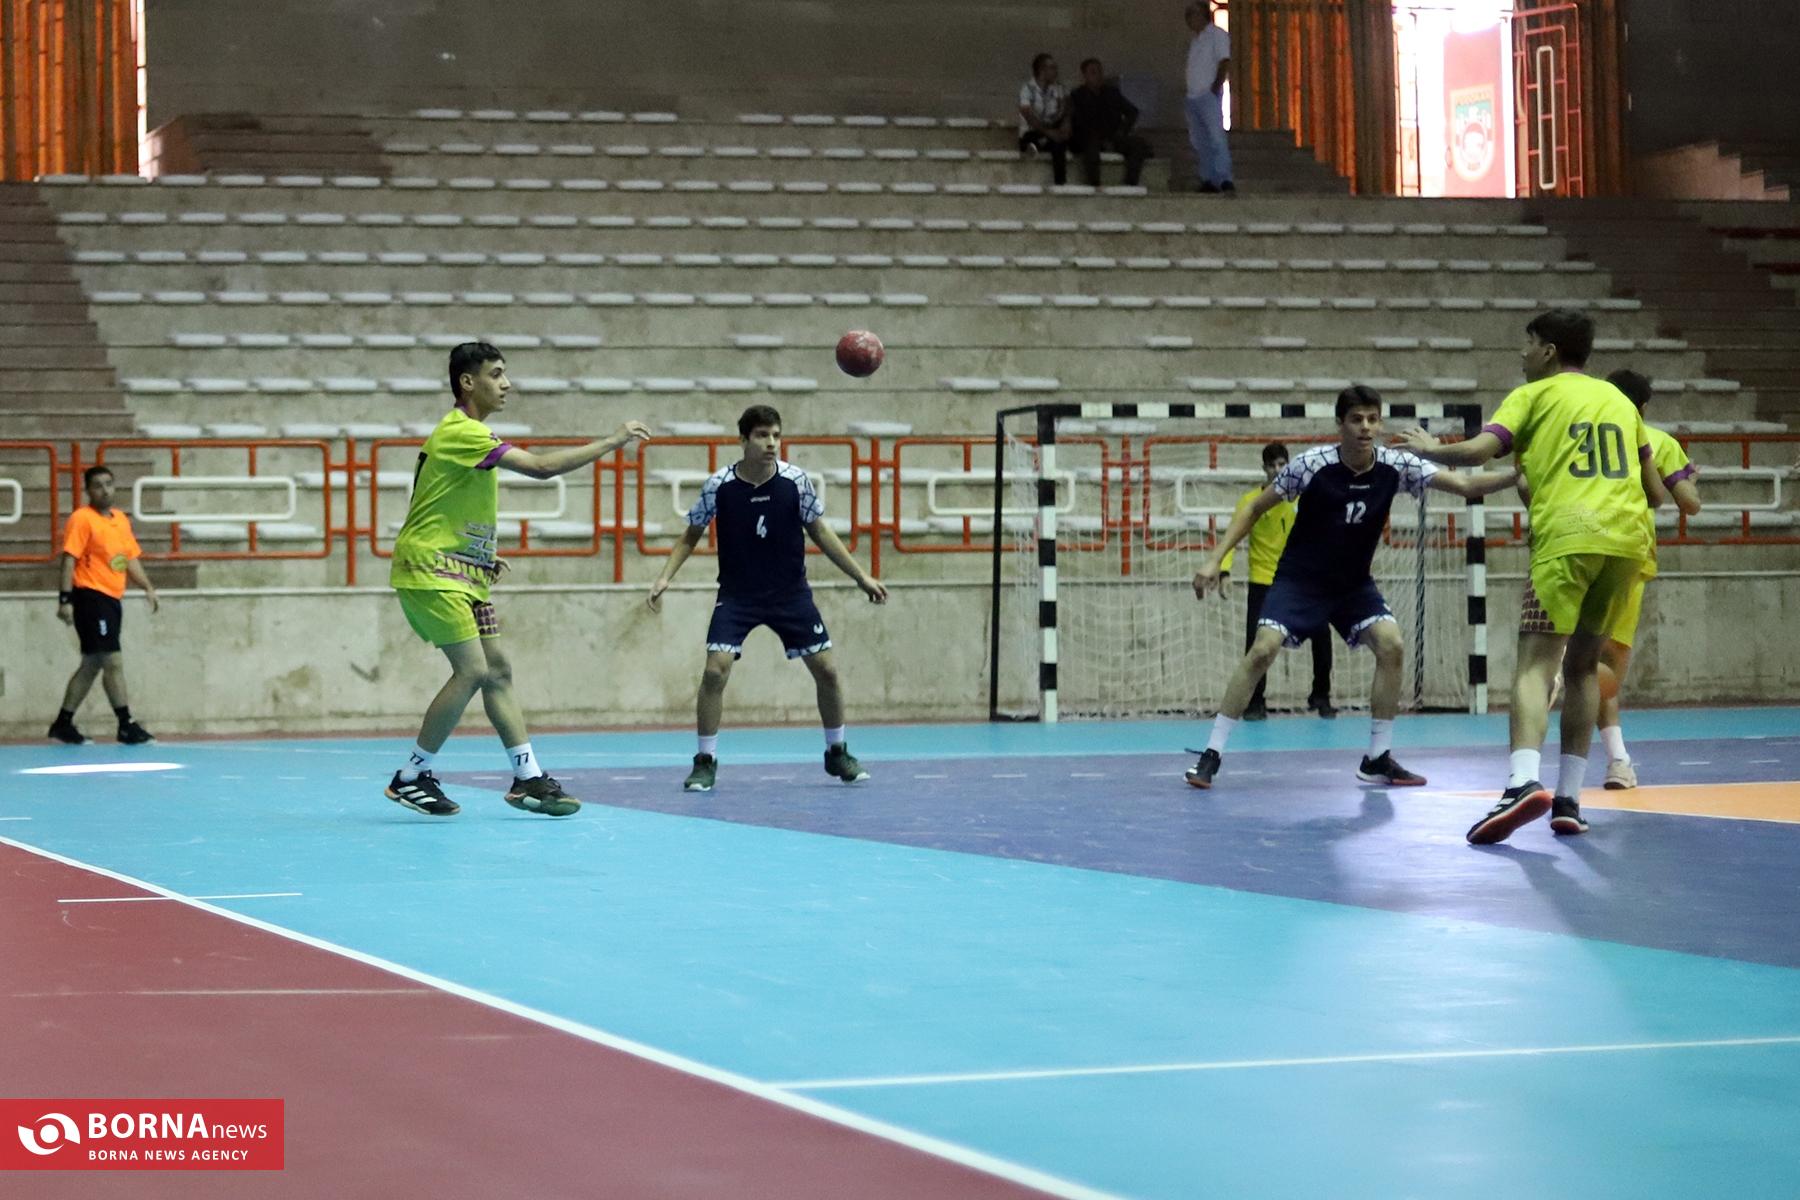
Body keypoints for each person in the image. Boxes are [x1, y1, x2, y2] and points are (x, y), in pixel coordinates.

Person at [1395, 310, 1667, 845]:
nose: (1522, 354)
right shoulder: (1619, 402)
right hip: (1626, 545)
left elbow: (1478, 451)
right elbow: (1655, 493)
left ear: (1548, 351)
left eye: (1528, 343)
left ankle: (1521, 783)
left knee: (1535, 666)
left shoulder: (1534, 395)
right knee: (1583, 667)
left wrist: (1429, 448)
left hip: (1567, 540)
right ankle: (1569, 800)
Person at [1188, 386, 1520, 790]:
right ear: (1340, 424)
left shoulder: (1397, 464)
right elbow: (1255, 508)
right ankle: (1211, 753)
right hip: (1300, 580)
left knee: (1392, 645)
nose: (1366, 427)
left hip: (1353, 585)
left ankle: (1377, 757)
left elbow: (1466, 487)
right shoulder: (1312, 465)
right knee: (1262, 650)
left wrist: (1518, 475)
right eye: (1357, 419)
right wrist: (1215, 559)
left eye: (1373, 419)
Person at [386, 341, 651, 818]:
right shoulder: (461, 431)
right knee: (473, 671)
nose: (506, 384)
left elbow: (440, 501)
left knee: (498, 671)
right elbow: (542, 469)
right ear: (468, 382)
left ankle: (527, 777)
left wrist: (478, 554)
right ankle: (410, 776)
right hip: (430, 570)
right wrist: (613, 441)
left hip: (462, 570)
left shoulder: (469, 436)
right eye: (496, 374)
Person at [648, 404, 889, 792]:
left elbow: (820, 531)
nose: (771, 443)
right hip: (738, 596)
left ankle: (837, 752)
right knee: (715, 671)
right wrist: (664, 577)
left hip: (790, 595)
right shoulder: (719, 485)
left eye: (776, 435)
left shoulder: (795, 481)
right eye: (762, 435)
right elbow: (690, 534)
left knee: (827, 670)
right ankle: (705, 761)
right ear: (743, 440)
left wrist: (861, 576)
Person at [1517, 368, 1702, 789]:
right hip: (1624, 554)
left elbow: (1528, 486)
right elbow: (1688, 504)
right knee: (1601, 671)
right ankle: (1567, 686)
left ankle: (1618, 758)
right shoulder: (1657, 441)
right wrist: (1690, 481)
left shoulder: (1574, 431)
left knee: (1570, 659)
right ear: (1643, 407)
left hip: (1566, 545)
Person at [1218, 441, 1334, 720]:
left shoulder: (1303, 499)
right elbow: (1232, 537)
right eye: (1272, 465)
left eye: (1282, 464)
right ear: (1264, 468)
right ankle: (1255, 702)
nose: (1277, 470)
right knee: (1256, 644)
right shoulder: (1251, 502)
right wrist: (1224, 571)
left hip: (1301, 580)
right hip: (1263, 581)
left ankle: (1321, 695)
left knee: (1322, 634)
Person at [48, 465, 159, 745]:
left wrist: (147, 586)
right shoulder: (82, 519)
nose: (105, 490)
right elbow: (69, 559)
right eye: (97, 485)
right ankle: (126, 723)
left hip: (112, 599)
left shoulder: (120, 520)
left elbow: (129, 558)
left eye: (109, 484)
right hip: (90, 597)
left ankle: (63, 723)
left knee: (92, 663)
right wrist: (65, 600)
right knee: (112, 660)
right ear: (88, 490)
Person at [1070, 58, 1152, 188]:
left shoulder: (1112, 93)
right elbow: (1077, 122)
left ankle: (1130, 184)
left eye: (1099, 72)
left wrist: (1122, 131)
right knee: (1090, 146)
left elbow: (1132, 112)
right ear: (1084, 76)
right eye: (1093, 72)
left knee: (1139, 144)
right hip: (1089, 137)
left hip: (1113, 136)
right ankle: (1095, 185)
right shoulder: (1077, 96)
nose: (1098, 76)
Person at [1184, 2, 1234, 194]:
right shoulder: (1195, 40)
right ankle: (1208, 179)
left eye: (1193, 14)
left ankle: (1224, 178)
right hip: (1193, 97)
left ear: (1204, 15)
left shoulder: (1217, 35)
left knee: (1216, 138)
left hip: (1207, 95)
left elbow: (1224, 61)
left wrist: (1215, 87)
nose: (1189, 19)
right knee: (1200, 141)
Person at [1017, 52, 1072, 186]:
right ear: (1042, 70)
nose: (1056, 71)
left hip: (1052, 129)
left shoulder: (1058, 88)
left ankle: (1060, 183)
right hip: (1034, 131)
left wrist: (1066, 123)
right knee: (1033, 138)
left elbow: (1067, 107)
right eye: (1052, 68)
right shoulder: (1027, 89)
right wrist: (1049, 133)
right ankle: (1035, 144)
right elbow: (1029, 116)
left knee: (1059, 143)